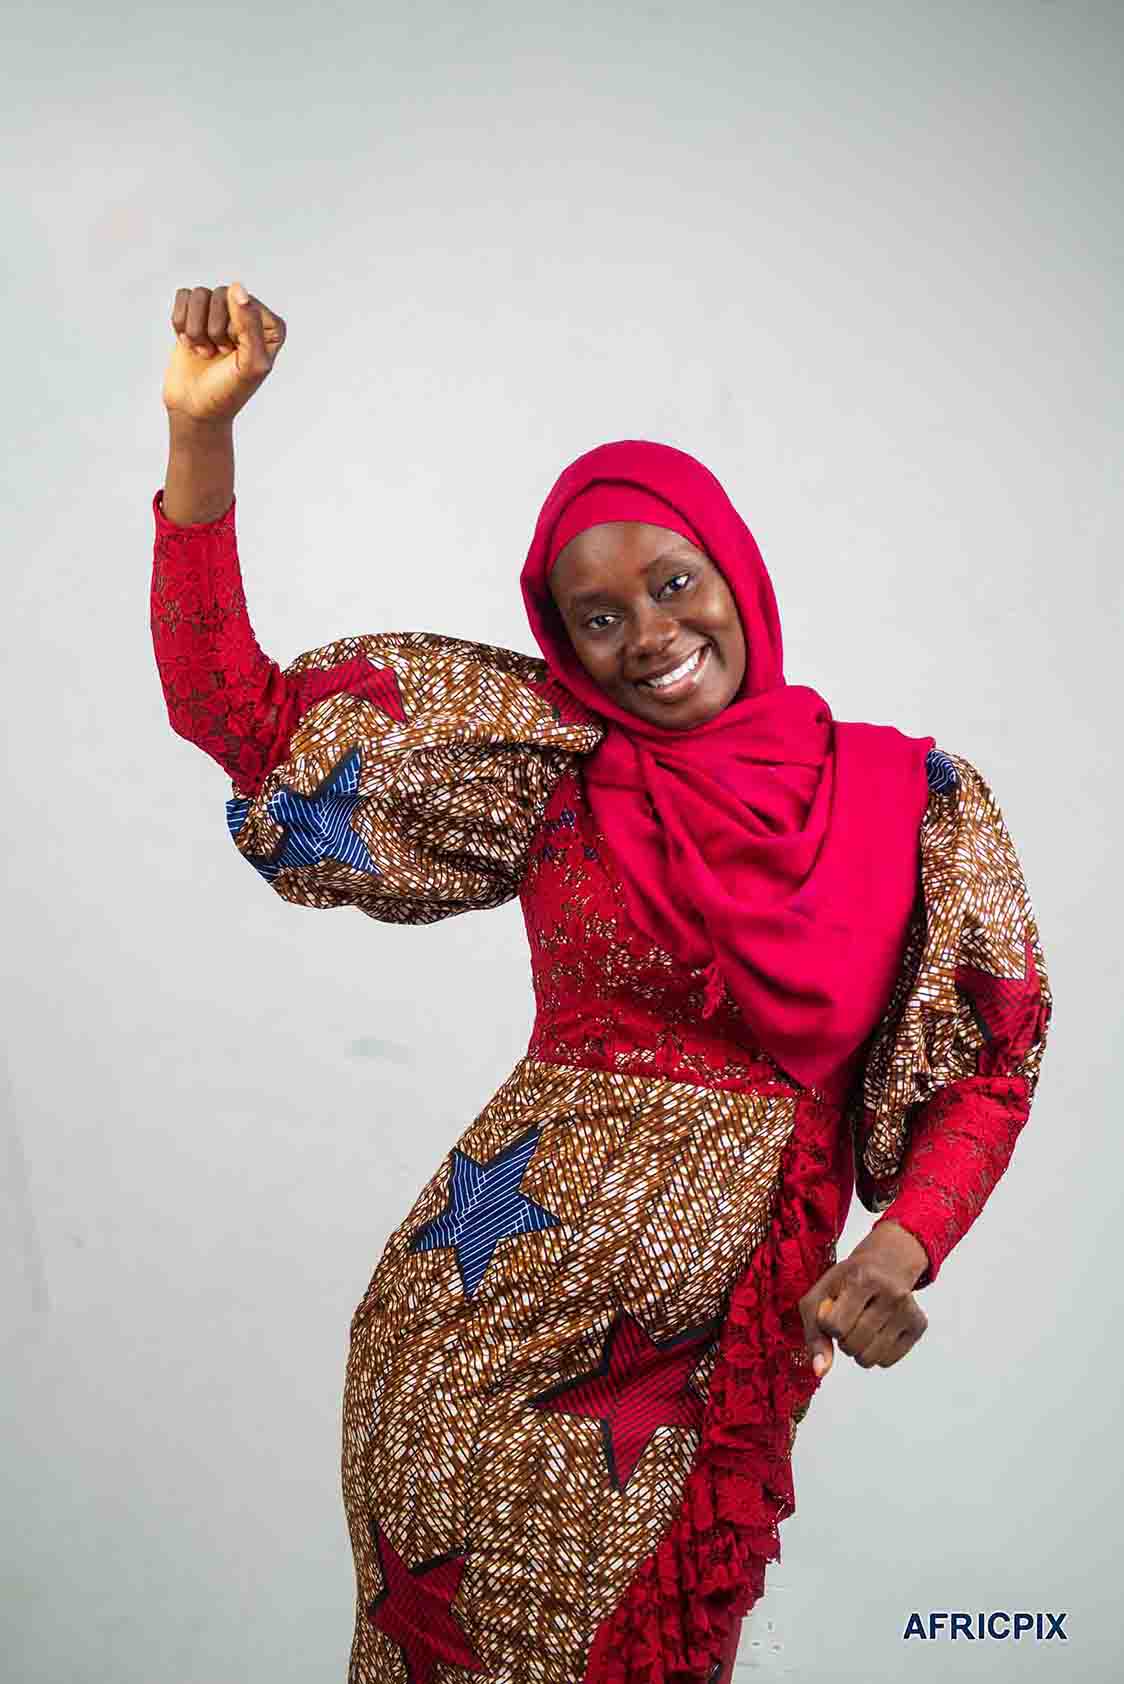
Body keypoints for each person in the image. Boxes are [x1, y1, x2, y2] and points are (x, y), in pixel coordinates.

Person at [151, 283, 1053, 1684]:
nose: (646, 633)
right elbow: (243, 716)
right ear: (561, 640)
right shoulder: (564, 773)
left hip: (689, 1367)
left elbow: (991, 1065)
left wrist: (902, 1244)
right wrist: (197, 440)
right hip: (459, 1352)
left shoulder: (912, 798)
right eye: (597, 616)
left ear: (736, 572)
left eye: (672, 584)